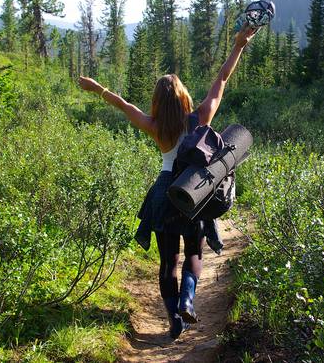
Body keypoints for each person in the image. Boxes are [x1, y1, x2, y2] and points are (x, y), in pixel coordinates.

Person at [78, 24, 257, 340]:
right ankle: (188, 298)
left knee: (167, 263)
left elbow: (123, 105)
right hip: (193, 192)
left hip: (164, 194)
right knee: (193, 255)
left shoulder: (154, 126)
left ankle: (175, 319)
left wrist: (97, 89)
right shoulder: (201, 117)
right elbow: (222, 79)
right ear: (184, 96)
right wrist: (239, 45)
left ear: (158, 102)